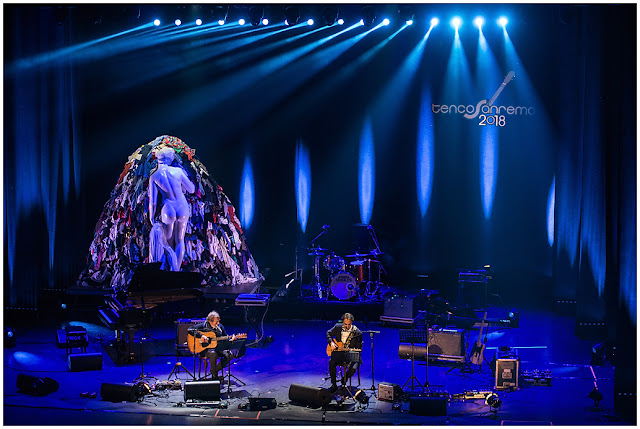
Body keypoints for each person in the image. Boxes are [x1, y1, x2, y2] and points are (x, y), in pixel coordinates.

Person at [148, 146, 195, 271]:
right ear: (170, 158)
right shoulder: (178, 171)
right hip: (182, 206)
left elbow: (153, 201)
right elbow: (192, 189)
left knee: (167, 243)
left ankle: (168, 271)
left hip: (168, 208)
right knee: (179, 240)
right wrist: (182, 187)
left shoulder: (154, 176)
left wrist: (151, 216)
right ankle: (176, 271)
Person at [187, 311, 237, 380]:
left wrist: (231, 339)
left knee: (230, 355)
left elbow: (225, 337)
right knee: (213, 354)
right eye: (216, 322)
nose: (218, 323)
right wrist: (201, 336)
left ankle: (214, 370)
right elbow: (190, 329)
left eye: (218, 321)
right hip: (205, 349)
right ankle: (214, 376)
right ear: (210, 321)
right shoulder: (203, 326)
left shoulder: (220, 327)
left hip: (218, 348)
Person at [326, 312, 363, 393]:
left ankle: (344, 379)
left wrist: (353, 350)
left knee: (354, 367)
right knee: (331, 362)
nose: (347, 326)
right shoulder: (338, 327)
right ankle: (334, 385)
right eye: (345, 324)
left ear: (352, 323)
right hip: (339, 354)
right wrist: (331, 343)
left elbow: (358, 348)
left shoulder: (357, 333)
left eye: (349, 324)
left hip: (351, 356)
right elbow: (328, 333)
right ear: (343, 322)